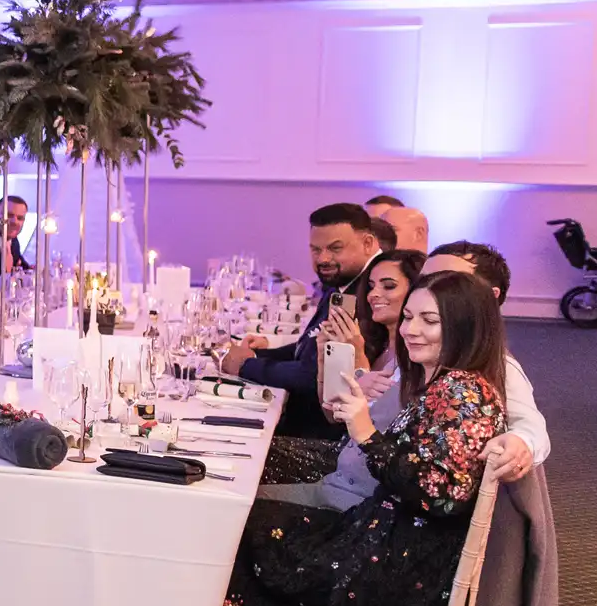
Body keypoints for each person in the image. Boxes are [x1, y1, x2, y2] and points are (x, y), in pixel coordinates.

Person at [165, 271, 507, 606]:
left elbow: (438, 496)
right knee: (247, 525)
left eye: (429, 320)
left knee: (241, 541)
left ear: (466, 326)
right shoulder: (449, 385)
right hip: (381, 539)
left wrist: (365, 429)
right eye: (409, 317)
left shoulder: (465, 395)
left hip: (397, 564)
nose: (411, 329)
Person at [259, 248, 424, 507]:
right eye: (370, 286)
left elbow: (367, 424)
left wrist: (357, 360)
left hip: (357, 482)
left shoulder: (414, 361)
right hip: (343, 461)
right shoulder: (376, 343)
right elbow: (332, 412)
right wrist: (328, 357)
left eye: (388, 286)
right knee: (254, 455)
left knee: (252, 477)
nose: (374, 295)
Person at [220, 202, 381, 440]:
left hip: (319, 438)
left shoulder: (370, 293)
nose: (323, 258)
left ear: (367, 243)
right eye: (316, 250)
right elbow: (312, 345)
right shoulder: (345, 281)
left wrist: (245, 366)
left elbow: (315, 374)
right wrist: (260, 354)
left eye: (335, 248)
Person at [421, 241, 548, 484]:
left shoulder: (498, 365)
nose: (427, 289)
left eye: (448, 281)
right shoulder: (417, 344)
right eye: (424, 280)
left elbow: (531, 427)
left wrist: (521, 443)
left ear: (490, 296)